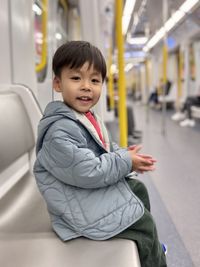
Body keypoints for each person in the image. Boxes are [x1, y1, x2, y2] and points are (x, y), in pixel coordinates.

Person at [33, 41, 167, 267]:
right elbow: (88, 171)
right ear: (58, 83)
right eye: (76, 78)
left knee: (138, 190)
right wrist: (125, 161)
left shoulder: (84, 117)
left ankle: (149, 249)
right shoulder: (58, 131)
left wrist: (124, 154)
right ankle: (153, 255)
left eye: (94, 80)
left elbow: (104, 146)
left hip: (82, 192)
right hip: (76, 206)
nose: (86, 86)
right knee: (144, 224)